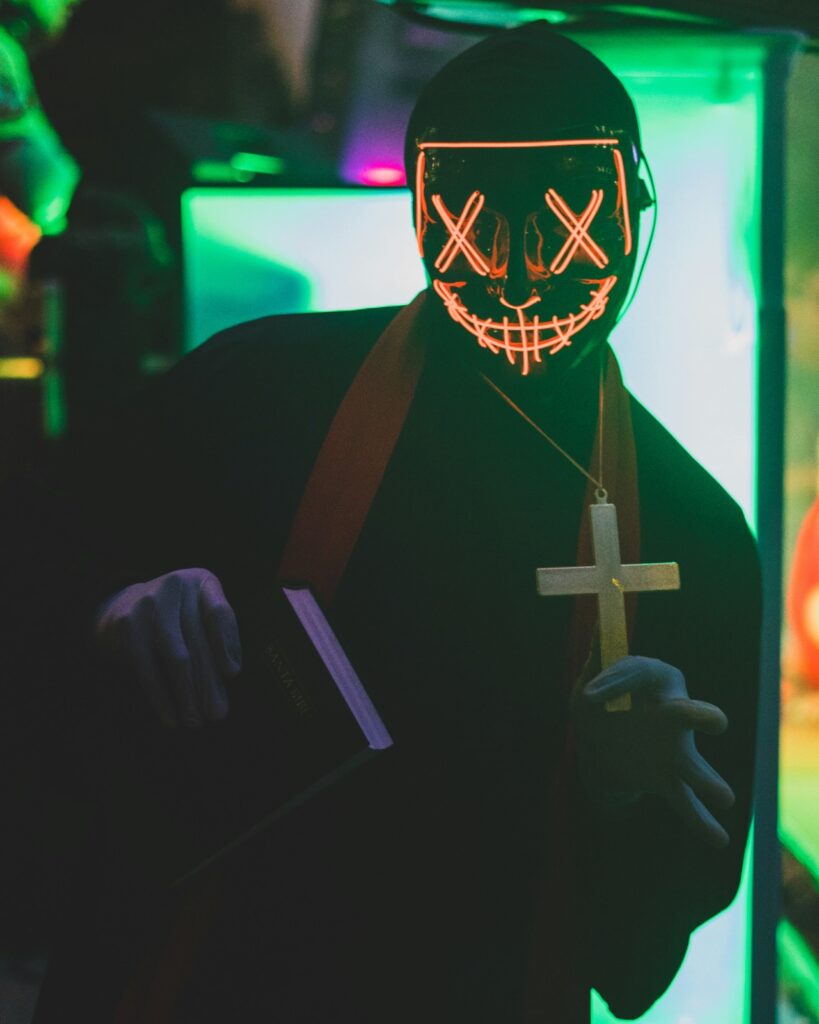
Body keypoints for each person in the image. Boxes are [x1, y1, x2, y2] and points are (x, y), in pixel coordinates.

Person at [33, 23, 760, 1024]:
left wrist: (618, 798)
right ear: (421, 212)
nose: (515, 270)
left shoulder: (699, 537)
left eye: (565, 216)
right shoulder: (256, 394)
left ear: (635, 207)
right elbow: (40, 547)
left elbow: (635, 965)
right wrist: (113, 605)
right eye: (474, 213)